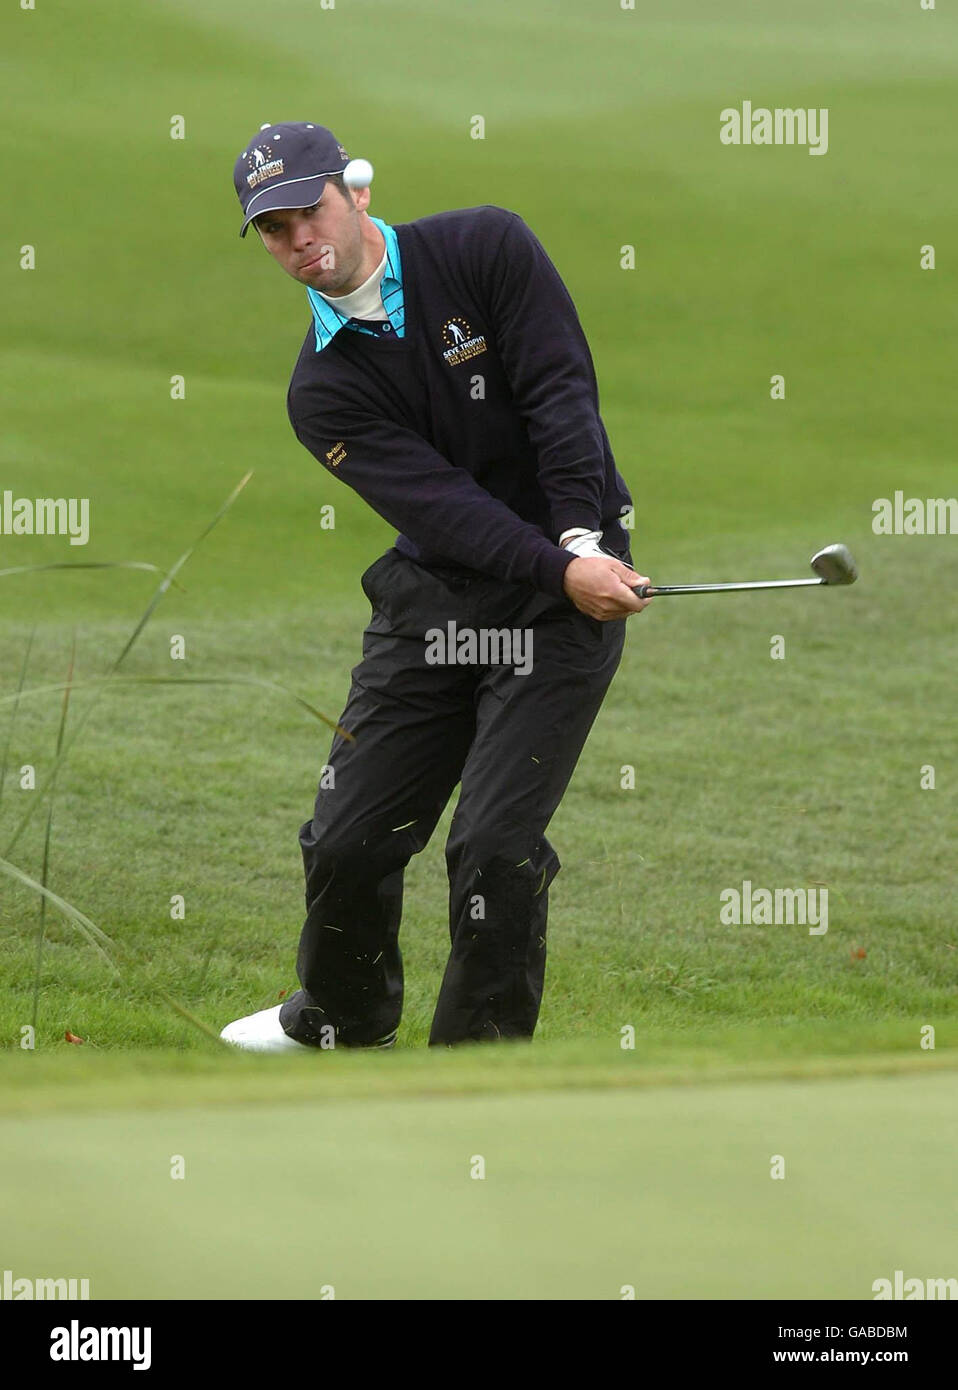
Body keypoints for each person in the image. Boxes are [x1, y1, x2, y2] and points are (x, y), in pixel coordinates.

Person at [221, 121, 652, 1052]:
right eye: (274, 228)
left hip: (561, 597)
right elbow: (446, 508)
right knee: (347, 840)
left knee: (493, 847)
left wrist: (579, 541)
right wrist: (557, 562)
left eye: (310, 210)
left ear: (357, 193)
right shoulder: (321, 391)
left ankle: (478, 1068)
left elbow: (559, 391)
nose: (299, 239)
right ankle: (342, 1015)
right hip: (439, 599)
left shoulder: (485, 247)